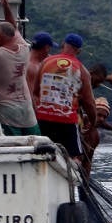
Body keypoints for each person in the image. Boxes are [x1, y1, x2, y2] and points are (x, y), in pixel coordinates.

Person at [33, 33, 97, 161]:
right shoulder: (81, 70)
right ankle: (73, 180)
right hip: (67, 120)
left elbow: (35, 92)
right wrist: (93, 123)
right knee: (76, 156)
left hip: (43, 117)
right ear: (79, 51)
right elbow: (89, 102)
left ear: (63, 44)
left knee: (42, 151)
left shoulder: (46, 62)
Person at [81, 97, 112, 179]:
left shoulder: (96, 137)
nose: (102, 119)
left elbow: (88, 162)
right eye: (99, 115)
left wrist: (85, 183)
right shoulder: (81, 121)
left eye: (104, 117)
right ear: (91, 112)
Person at [27, 31, 56, 99]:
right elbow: (31, 96)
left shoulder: (27, 59)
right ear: (47, 48)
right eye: (50, 48)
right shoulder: (32, 68)